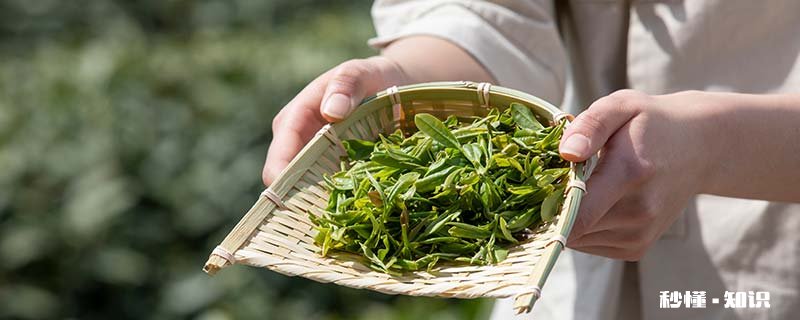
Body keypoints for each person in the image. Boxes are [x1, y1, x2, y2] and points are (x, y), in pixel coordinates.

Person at [262, 1, 800, 319]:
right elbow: (490, 15)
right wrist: (406, 82)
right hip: (557, 263)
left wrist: (716, 146)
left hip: (767, 264)